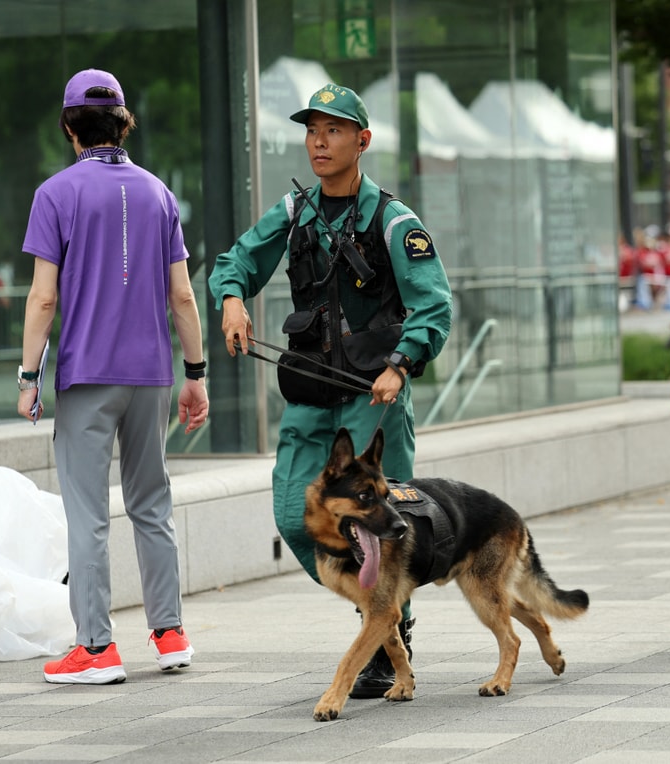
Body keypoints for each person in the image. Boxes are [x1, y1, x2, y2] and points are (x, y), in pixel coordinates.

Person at [208, 83, 452, 697]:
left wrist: (401, 363)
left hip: (375, 402)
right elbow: (235, 260)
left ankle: (386, 629)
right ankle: (381, 611)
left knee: (379, 525)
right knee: (297, 518)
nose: (319, 140)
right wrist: (233, 300)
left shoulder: (396, 222)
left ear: (362, 142)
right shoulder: (294, 213)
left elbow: (434, 304)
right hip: (310, 395)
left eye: (334, 129)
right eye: (312, 130)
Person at [18, 68, 209, 685]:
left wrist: (28, 375)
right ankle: (171, 633)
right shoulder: (159, 193)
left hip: (88, 375)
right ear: (122, 122)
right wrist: (196, 373)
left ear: (71, 126)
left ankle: (97, 648)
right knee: (152, 504)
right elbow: (182, 295)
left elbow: (43, 300)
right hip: (152, 374)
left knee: (87, 513)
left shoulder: (56, 193)